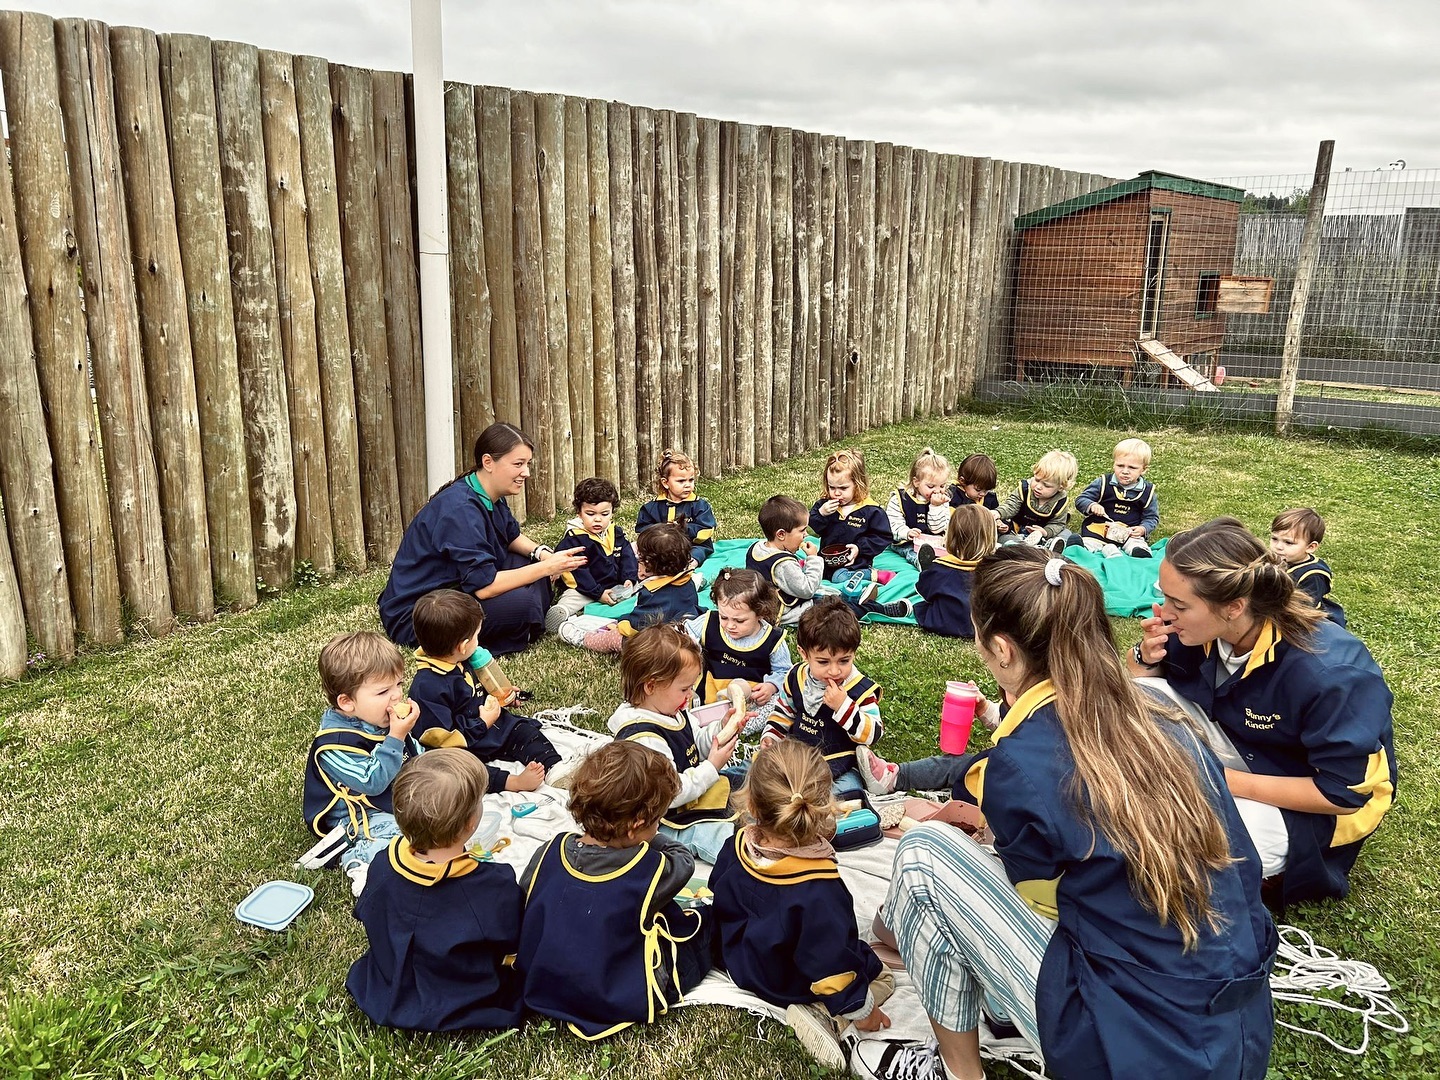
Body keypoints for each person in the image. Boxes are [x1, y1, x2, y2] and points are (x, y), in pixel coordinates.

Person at [852, 547, 1276, 1080]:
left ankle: (958, 1071)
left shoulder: (1022, 765)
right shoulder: (1165, 718)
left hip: (1124, 1047)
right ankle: (1002, 1009)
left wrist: (979, 833)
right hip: (1230, 1035)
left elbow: (1041, 900)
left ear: (1001, 649)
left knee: (923, 857)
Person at [1131, 517, 1393, 904]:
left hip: (1311, 801)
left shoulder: (1331, 672)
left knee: (1184, 857)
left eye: (1179, 604)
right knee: (1136, 697)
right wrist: (1144, 658)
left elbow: (1341, 793)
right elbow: (1144, 688)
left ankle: (1269, 869)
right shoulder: (1201, 630)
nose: (1164, 612)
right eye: (1164, 596)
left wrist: (1215, 779)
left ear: (1234, 606)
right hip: (1245, 749)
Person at [710, 740, 894, 1070]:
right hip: (787, 982)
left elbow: (718, 895)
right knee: (881, 975)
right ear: (825, 805)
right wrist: (864, 1012)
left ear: (751, 802)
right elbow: (830, 964)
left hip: (738, 960)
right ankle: (826, 1016)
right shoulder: (820, 890)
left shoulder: (735, 845)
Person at [517, 740, 712, 1039]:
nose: (658, 829)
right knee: (706, 926)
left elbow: (526, 894)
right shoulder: (647, 869)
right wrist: (653, 838)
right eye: (657, 822)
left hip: (545, 978)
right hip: (611, 993)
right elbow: (683, 860)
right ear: (637, 825)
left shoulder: (550, 850)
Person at [346, 749, 524, 1032]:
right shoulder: (491, 884)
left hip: (386, 986)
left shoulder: (383, 865)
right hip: (461, 998)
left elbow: (366, 912)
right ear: (470, 824)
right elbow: (512, 940)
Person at [378, 423, 587, 656]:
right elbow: (485, 588)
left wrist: (543, 554)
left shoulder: (489, 491)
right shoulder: (460, 511)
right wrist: (547, 568)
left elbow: (511, 537)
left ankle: (530, 619)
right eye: (518, 464)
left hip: (459, 588)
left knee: (528, 569)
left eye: (527, 464)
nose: (526, 472)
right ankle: (528, 622)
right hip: (422, 614)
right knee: (524, 602)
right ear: (488, 462)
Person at [607, 624, 739, 863]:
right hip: (664, 819)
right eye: (684, 688)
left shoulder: (670, 709)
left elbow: (693, 741)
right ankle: (747, 859)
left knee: (748, 774)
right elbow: (671, 792)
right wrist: (711, 767)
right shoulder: (643, 737)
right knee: (718, 837)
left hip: (695, 787)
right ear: (651, 686)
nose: (691, 695)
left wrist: (721, 729)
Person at [407, 590, 560, 793]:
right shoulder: (427, 687)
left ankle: (555, 768)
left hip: (491, 729)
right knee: (459, 771)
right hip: (464, 748)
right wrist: (482, 723)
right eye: (477, 636)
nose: (478, 641)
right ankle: (511, 782)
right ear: (462, 646)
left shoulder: (461, 660)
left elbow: (479, 688)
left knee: (523, 731)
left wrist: (501, 696)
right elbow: (440, 740)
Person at [304, 631, 421, 894]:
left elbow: (413, 754)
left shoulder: (378, 720)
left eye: (399, 685)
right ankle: (360, 861)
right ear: (347, 702)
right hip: (359, 815)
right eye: (383, 691)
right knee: (402, 839)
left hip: (391, 800)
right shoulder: (334, 745)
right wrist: (395, 737)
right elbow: (372, 782)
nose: (396, 697)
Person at [760, 598, 882, 797]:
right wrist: (772, 736)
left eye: (844, 660)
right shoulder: (796, 676)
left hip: (838, 766)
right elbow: (784, 710)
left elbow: (873, 734)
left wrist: (843, 706)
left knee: (844, 794)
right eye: (823, 662)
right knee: (760, 777)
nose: (834, 670)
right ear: (804, 654)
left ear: (854, 653)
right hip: (796, 761)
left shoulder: (860, 690)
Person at [749, 495, 910, 625]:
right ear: (781, 534)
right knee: (839, 610)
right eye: (802, 531)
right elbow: (808, 589)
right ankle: (877, 609)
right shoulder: (783, 564)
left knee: (828, 594)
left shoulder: (756, 549)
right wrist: (813, 559)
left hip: (780, 602)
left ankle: (852, 597)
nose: (805, 535)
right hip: (791, 612)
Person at [561, 522, 702, 653]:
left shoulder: (655, 594)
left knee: (615, 638)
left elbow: (637, 624)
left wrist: (620, 626)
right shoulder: (686, 581)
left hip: (660, 647)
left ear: (647, 565)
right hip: (679, 636)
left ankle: (582, 638)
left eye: (639, 558)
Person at [685, 568, 790, 730]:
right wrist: (692, 649)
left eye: (740, 621)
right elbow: (684, 633)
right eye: (724, 617)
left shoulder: (772, 639)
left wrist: (772, 686)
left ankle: (740, 726)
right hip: (710, 699)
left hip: (750, 705)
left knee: (781, 704)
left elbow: (785, 672)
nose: (730, 625)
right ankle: (709, 725)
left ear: (761, 613)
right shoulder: (708, 623)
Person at [544, 476, 639, 635]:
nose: (597, 519)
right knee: (572, 598)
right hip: (585, 588)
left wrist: (628, 578)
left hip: (614, 583)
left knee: (637, 586)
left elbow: (627, 555)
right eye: (590, 513)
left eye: (604, 514)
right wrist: (597, 593)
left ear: (612, 513)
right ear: (579, 513)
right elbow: (577, 573)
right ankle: (562, 612)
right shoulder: (574, 539)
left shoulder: (615, 533)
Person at [808, 449, 895, 600]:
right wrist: (821, 514)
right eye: (832, 487)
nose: (836, 493)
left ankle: (874, 575)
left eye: (843, 488)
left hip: (854, 563)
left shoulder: (871, 510)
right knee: (811, 570)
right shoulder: (825, 505)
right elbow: (812, 528)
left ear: (858, 484)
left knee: (839, 578)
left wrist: (859, 548)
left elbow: (883, 537)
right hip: (827, 560)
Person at [915, 504, 998, 639]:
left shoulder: (942, 569)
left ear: (950, 536)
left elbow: (922, 590)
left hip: (940, 623)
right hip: (980, 628)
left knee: (923, 600)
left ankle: (926, 571)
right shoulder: (995, 570)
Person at [1072, 437, 1159, 558]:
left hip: (1129, 533)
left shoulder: (1148, 492)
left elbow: (1151, 517)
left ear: (1143, 469)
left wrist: (1143, 529)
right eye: (1120, 465)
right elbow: (1081, 500)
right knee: (1090, 543)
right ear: (1114, 464)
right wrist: (1092, 505)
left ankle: (1139, 554)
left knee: (1136, 544)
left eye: (1132, 468)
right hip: (1099, 529)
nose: (1125, 471)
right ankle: (1080, 548)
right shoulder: (1103, 482)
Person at [635, 448, 718, 569]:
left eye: (691, 480)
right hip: (662, 548)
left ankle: (690, 565)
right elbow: (642, 530)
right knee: (638, 551)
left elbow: (706, 529)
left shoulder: (700, 505)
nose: (687, 485)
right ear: (665, 483)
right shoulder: (652, 508)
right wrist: (662, 532)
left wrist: (681, 529)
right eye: (681, 481)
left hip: (692, 545)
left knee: (698, 552)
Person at [1269, 508, 1345, 626]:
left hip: (1303, 622)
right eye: (1274, 539)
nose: (1278, 546)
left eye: (1288, 543)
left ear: (1310, 547)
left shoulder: (1312, 575)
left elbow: (1304, 611)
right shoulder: (1275, 559)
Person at [996, 449, 1076, 551]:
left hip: (1043, 535)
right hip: (1016, 531)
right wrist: (998, 513)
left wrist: (1045, 532)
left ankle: (1048, 547)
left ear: (1061, 487)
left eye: (1046, 485)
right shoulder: (1024, 489)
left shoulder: (1060, 501)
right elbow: (1011, 505)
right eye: (1037, 480)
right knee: (1003, 537)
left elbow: (1058, 523)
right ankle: (1022, 547)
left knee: (1066, 533)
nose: (1038, 486)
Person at [886, 447, 953, 564]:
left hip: (935, 543)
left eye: (942, 486)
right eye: (931, 487)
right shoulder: (900, 499)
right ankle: (922, 563)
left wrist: (935, 507)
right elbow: (892, 524)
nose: (938, 491)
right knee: (910, 552)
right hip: (907, 542)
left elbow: (938, 528)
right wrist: (906, 533)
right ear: (916, 482)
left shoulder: (942, 499)